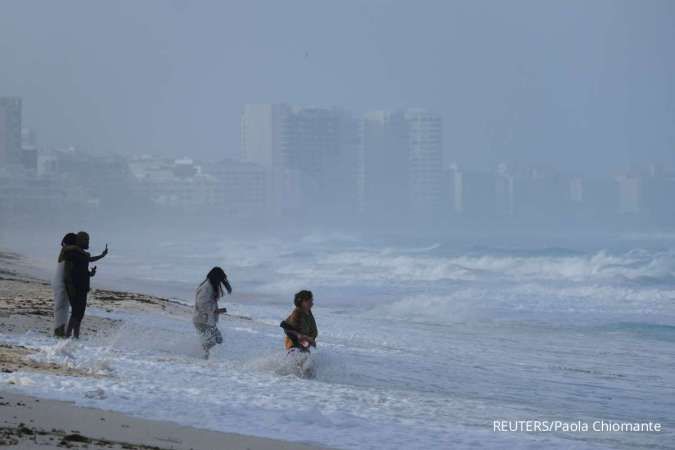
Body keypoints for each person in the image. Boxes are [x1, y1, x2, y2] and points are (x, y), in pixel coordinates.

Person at [62, 231, 108, 339]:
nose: (88, 242)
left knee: (80, 314)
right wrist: (70, 286)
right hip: (75, 287)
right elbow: (67, 272)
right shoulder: (72, 253)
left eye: (88, 240)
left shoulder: (82, 254)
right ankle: (67, 335)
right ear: (79, 241)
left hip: (83, 287)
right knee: (76, 312)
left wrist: (91, 273)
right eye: (86, 240)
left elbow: (86, 264)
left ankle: (76, 336)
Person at [193, 267, 232, 359]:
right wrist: (215, 310)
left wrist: (215, 311)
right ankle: (203, 359)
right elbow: (202, 303)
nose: (221, 282)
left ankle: (204, 357)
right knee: (210, 342)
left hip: (207, 320)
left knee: (218, 339)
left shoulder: (210, 285)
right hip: (202, 320)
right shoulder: (207, 287)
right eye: (220, 279)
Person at [52, 233, 77, 337]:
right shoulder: (65, 251)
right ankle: (59, 331)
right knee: (61, 306)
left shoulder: (68, 252)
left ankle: (60, 330)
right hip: (60, 282)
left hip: (60, 281)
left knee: (63, 307)